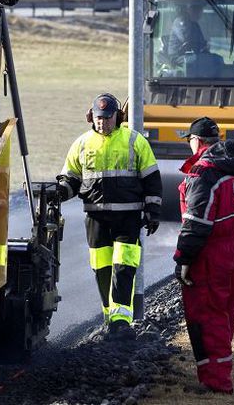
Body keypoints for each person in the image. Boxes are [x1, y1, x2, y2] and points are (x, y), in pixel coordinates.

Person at [57, 94, 162, 341]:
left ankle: (121, 321)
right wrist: (59, 192)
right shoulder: (81, 144)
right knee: (102, 268)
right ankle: (110, 317)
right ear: (91, 116)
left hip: (128, 217)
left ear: (118, 117)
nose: (103, 122)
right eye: (99, 117)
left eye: (107, 117)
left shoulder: (134, 141)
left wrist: (153, 211)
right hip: (96, 218)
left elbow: (151, 179)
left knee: (124, 267)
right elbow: (71, 178)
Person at [174, 116, 234, 394]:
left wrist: (183, 258)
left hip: (209, 255)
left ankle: (216, 382)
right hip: (233, 250)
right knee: (225, 315)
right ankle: (218, 374)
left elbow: (196, 222)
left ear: (197, 141)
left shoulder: (204, 172)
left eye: (190, 140)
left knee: (208, 316)